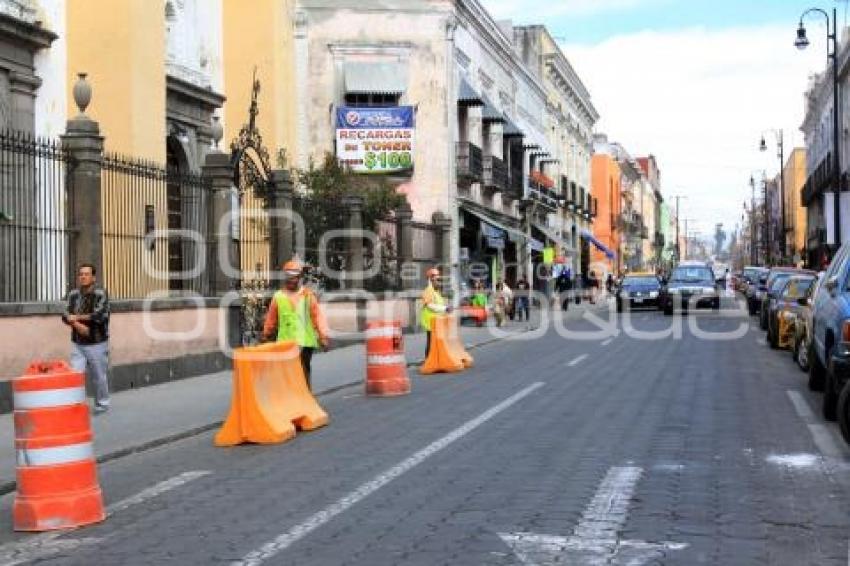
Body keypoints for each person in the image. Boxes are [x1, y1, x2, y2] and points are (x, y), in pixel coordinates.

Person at [262, 259, 330, 391]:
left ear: (299, 278)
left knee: (303, 372)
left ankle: (306, 399)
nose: (290, 281)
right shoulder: (278, 296)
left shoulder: (307, 295)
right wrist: (266, 334)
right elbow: (271, 319)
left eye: (293, 278)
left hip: (305, 342)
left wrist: (323, 337)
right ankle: (291, 401)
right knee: (286, 374)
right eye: (288, 278)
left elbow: (317, 317)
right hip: (285, 343)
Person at [63, 263, 111, 414]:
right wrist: (78, 325)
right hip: (77, 342)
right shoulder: (73, 294)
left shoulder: (100, 293)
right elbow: (65, 314)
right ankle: (77, 404)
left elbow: (99, 316)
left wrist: (75, 317)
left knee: (98, 376)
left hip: (97, 342)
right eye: (81, 274)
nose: (83, 277)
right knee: (76, 375)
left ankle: (102, 404)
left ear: (93, 277)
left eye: (86, 274)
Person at [421, 267, 448, 358]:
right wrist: (445, 309)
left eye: (439, 279)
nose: (438, 282)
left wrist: (445, 309)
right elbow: (430, 306)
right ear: (431, 279)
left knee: (434, 342)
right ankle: (428, 360)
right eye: (437, 279)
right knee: (430, 341)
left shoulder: (435, 292)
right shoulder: (428, 291)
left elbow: (438, 304)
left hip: (436, 321)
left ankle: (433, 360)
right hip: (430, 321)